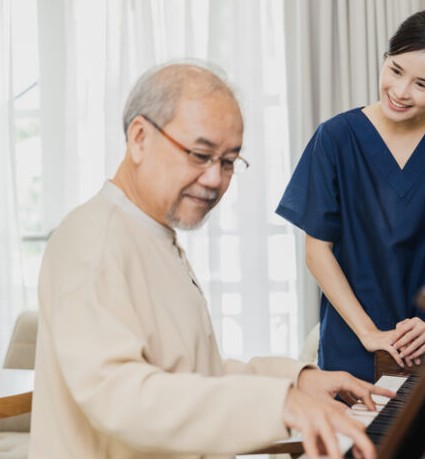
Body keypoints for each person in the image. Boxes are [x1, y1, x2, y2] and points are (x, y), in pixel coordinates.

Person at [29, 61, 394, 459]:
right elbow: (120, 396)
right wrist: (279, 405)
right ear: (139, 137)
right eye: (200, 155)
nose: (214, 180)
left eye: (228, 162)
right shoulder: (92, 239)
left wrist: (296, 381)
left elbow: (193, 375)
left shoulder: (151, 233)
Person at [275, 8, 425, 383]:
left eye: (422, 84)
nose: (400, 92)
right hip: (352, 349)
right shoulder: (335, 139)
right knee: (357, 442)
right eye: (395, 70)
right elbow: (317, 251)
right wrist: (367, 332)